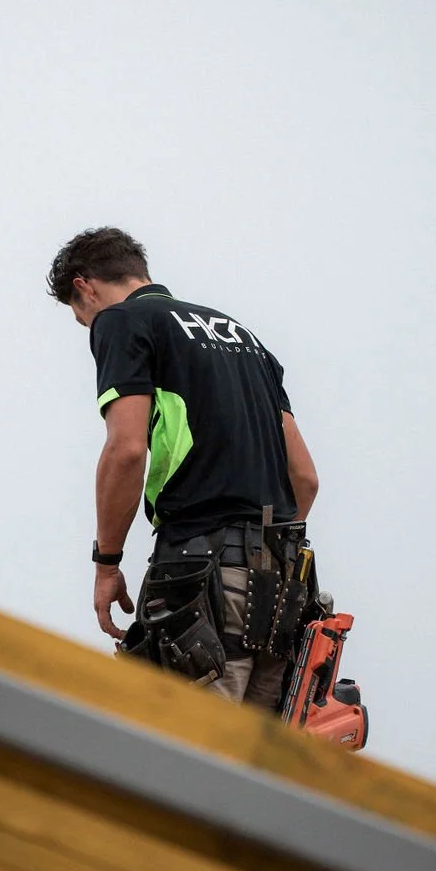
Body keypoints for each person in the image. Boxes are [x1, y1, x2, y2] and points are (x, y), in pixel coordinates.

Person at [47, 226, 319, 709]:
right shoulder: (246, 340)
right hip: (281, 596)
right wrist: (262, 548)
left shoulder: (123, 321)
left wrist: (106, 564)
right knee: (253, 771)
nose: (88, 326)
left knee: (183, 759)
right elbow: (304, 477)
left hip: (202, 580)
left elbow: (126, 450)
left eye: (79, 316)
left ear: (84, 286)